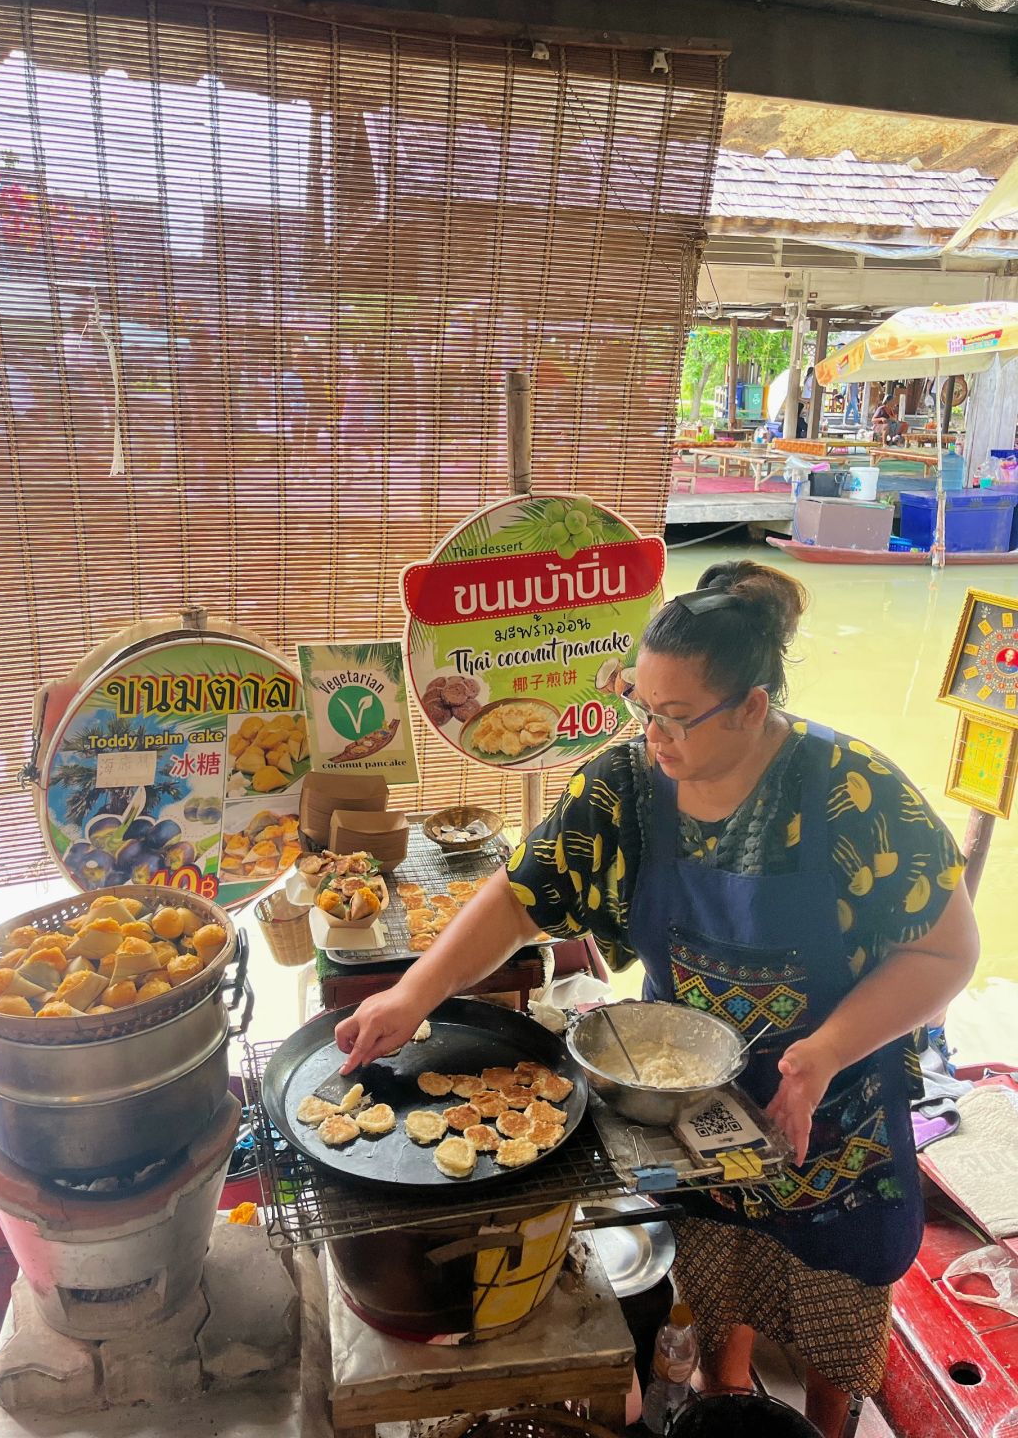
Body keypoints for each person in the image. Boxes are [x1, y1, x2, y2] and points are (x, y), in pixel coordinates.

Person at [336, 561, 979, 1437]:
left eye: (675, 717)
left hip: (835, 1121)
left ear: (753, 707)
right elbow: (524, 895)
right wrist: (415, 992)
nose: (653, 736)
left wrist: (824, 1051)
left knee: (835, 1332)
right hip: (692, 1101)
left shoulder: (850, 792)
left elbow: (947, 951)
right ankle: (721, 1404)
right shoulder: (627, 787)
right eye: (640, 708)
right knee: (718, 1288)